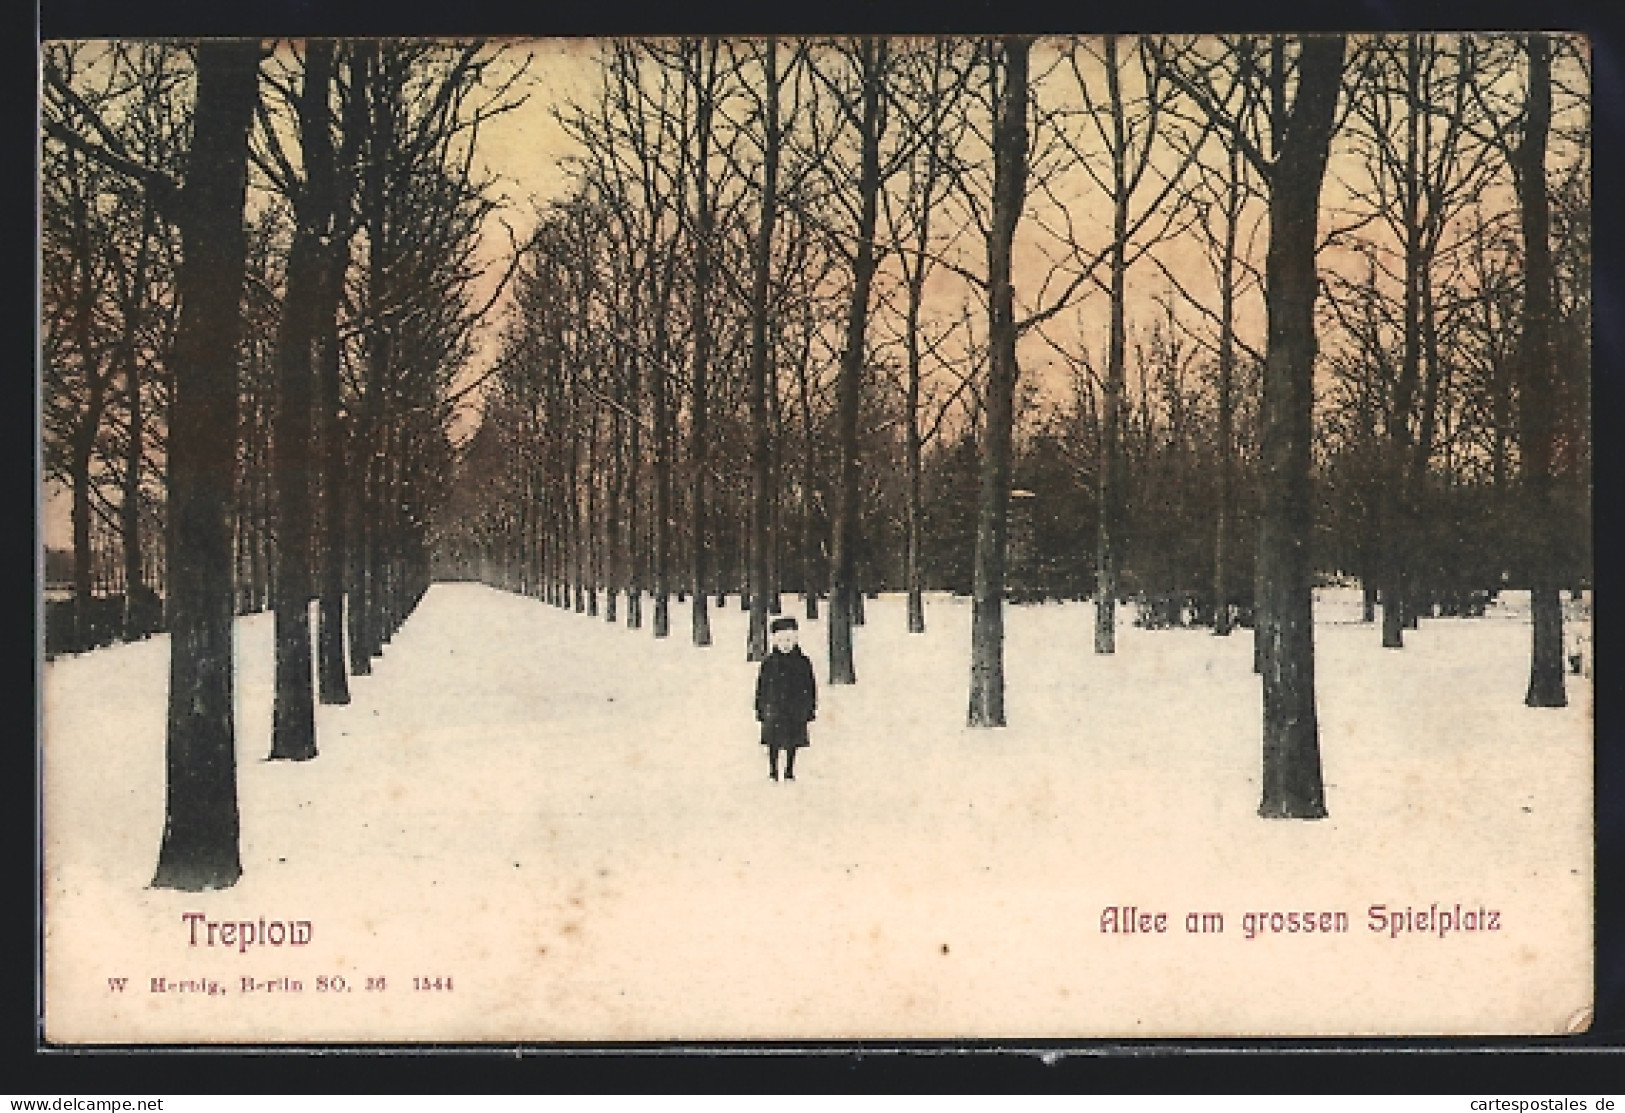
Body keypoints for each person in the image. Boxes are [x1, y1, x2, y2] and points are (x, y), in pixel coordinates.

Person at [755, 616, 817, 781]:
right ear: (775, 641)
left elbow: (810, 686)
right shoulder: (769, 663)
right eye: (781, 640)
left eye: (789, 639)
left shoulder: (803, 662)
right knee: (773, 741)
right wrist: (760, 708)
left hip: (795, 708)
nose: (786, 644)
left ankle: (789, 769)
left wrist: (810, 708)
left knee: (793, 740)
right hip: (774, 708)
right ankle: (773, 770)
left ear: (795, 640)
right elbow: (761, 687)